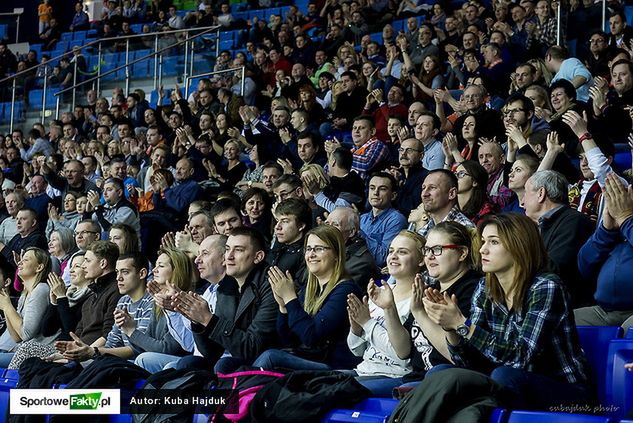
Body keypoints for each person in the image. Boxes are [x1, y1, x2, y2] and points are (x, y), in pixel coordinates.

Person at [423, 213, 592, 410]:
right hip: (506, 383)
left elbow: (521, 357)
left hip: (566, 392)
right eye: (483, 241)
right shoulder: (484, 289)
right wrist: (450, 328)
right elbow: (468, 362)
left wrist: (463, 325)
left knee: (504, 376)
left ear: (518, 245)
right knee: (440, 373)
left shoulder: (545, 287)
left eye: (493, 242)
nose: (482, 249)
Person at [253, 225, 362, 370]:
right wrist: (283, 306)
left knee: (271, 357)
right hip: (309, 357)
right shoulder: (310, 289)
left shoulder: (346, 290)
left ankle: (241, 390)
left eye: (319, 249)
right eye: (309, 249)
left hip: (334, 366)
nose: (311, 255)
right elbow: (288, 340)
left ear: (336, 255)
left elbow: (311, 337)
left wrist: (290, 298)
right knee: (227, 362)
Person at [346, 230, 426, 396]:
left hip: (395, 375)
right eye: (391, 251)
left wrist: (368, 323)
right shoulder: (379, 291)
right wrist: (356, 328)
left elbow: (401, 357)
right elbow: (357, 351)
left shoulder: (420, 299)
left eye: (402, 252)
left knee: (333, 393)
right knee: (312, 384)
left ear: (421, 260)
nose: (394, 256)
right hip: (364, 370)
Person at [189, 227, 278, 373]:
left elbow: (252, 347)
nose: (228, 257)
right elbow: (213, 353)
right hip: (240, 359)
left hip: (269, 361)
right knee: (188, 363)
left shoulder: (271, 284)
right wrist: (198, 322)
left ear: (258, 257)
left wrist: (209, 319)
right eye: (227, 249)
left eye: (238, 250)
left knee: (224, 366)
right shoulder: (226, 287)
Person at [522, 170, 594, 306]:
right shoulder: (539, 225)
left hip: (567, 306)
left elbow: (554, 269)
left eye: (526, 193)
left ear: (541, 194)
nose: (522, 201)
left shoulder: (573, 222)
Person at [574, 174, 633, 330]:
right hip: (603, 312)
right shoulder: (619, 224)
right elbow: (583, 265)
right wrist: (606, 231)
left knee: (629, 332)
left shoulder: (626, 220)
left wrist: (626, 218)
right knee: (557, 324)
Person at [0, 247, 54, 366]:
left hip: (39, 353)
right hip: (22, 350)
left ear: (39, 267)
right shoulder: (24, 294)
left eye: (26, 259)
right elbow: (16, 338)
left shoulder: (41, 289)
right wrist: (5, 307)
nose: (19, 262)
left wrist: (8, 306)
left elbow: (26, 334)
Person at [325, 207, 380, 290]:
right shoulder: (322, 250)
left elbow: (338, 293)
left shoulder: (361, 263)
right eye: (327, 224)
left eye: (335, 225)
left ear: (351, 232)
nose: (328, 229)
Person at [360, 172, 408, 267]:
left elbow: (383, 258)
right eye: (372, 188)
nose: (375, 193)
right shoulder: (362, 218)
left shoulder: (396, 220)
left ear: (393, 195)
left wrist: (359, 233)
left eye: (382, 189)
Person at [415, 170, 475, 237]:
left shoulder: (465, 229)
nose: (424, 194)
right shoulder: (424, 230)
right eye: (423, 188)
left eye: (432, 187)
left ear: (452, 194)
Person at [455, 161, 497, 225]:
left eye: (461, 174)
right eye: (455, 174)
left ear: (474, 182)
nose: (455, 177)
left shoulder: (486, 212)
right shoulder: (450, 206)